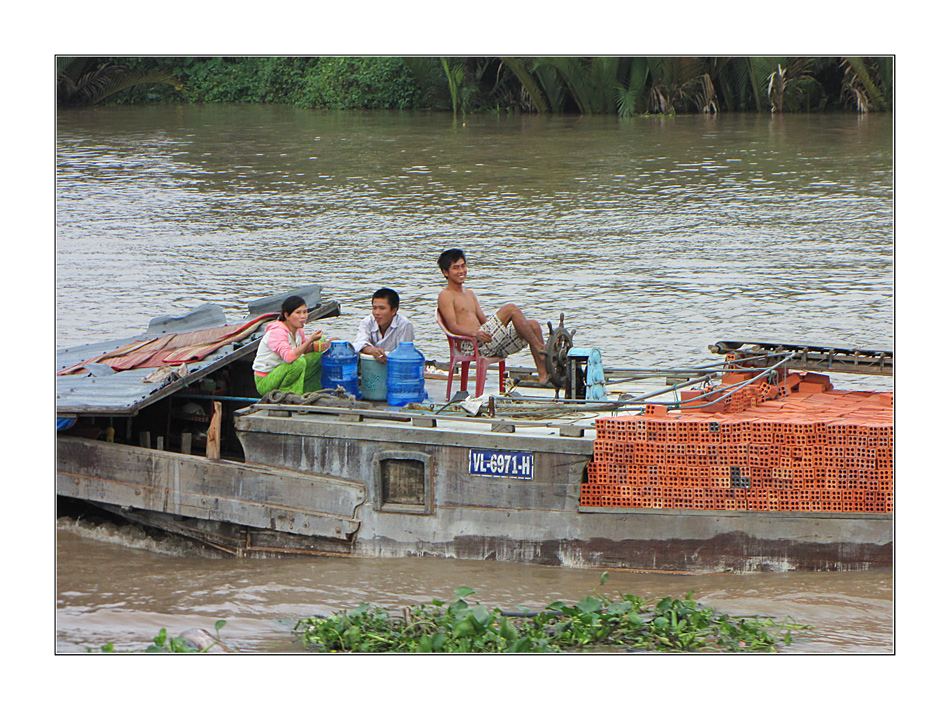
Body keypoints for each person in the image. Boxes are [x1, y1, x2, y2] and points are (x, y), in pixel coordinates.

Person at [436, 248, 550, 385]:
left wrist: (502, 328)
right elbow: (453, 326)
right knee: (511, 309)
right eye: (456, 268)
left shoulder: (470, 294)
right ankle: (539, 346)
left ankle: (543, 375)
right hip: (471, 345)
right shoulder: (446, 295)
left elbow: (485, 321)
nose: (461, 271)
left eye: (463, 266)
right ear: (445, 272)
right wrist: (475, 333)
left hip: (487, 341)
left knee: (533, 325)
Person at [252, 295, 329, 396]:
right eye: (298, 312)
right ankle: (289, 398)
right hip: (266, 380)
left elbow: (305, 349)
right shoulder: (277, 332)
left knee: (319, 356)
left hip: (285, 372)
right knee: (298, 363)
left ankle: (311, 394)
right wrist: (310, 340)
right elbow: (289, 357)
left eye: (305, 312)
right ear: (287, 315)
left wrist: (323, 346)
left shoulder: (298, 331)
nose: (303, 316)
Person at [352, 287, 415, 363]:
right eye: (374, 308)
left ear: (394, 311)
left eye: (382, 308)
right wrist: (373, 350)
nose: (377, 312)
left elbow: (404, 353)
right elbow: (359, 344)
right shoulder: (367, 322)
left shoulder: (404, 325)